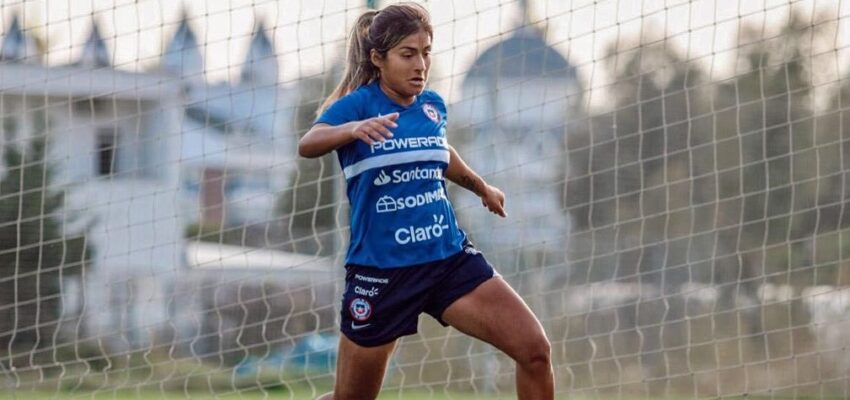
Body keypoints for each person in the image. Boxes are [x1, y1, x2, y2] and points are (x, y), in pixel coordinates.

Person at [298, 3, 554, 399]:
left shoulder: (433, 105)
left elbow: (439, 150)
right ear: (378, 59)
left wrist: (480, 186)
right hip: (382, 273)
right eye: (408, 54)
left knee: (535, 351)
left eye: (426, 52)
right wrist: (352, 129)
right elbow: (308, 143)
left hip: (447, 260)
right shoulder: (358, 106)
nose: (420, 64)